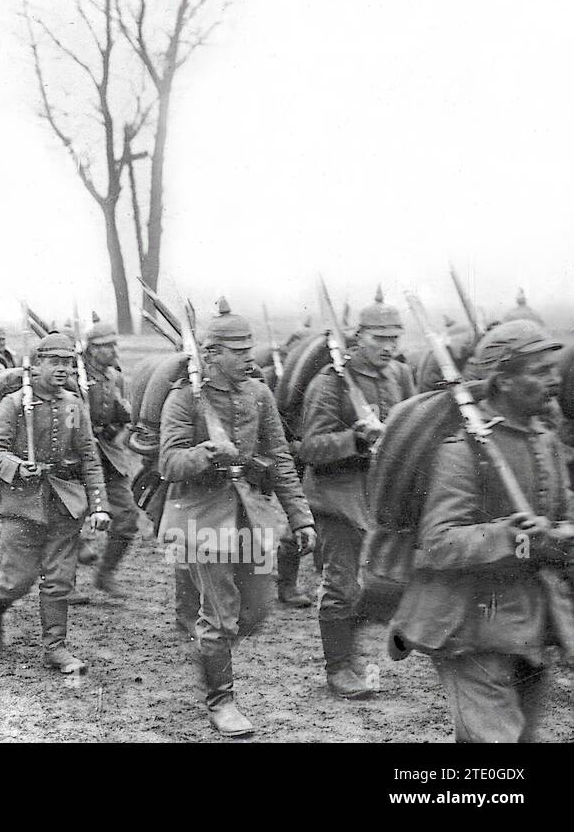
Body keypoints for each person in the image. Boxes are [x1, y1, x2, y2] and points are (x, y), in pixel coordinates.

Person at [390, 321, 574, 742]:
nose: (555, 380)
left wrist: (556, 534)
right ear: (504, 381)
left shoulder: (544, 439)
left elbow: (562, 518)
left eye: (553, 369)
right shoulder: (462, 450)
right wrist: (511, 536)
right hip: (470, 622)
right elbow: (439, 544)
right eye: (541, 371)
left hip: (532, 619)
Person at [157, 300, 316, 737]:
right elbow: (167, 463)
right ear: (211, 354)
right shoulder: (183, 398)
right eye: (239, 350)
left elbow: (281, 458)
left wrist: (301, 517)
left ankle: (208, 651)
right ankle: (221, 701)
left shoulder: (258, 394)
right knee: (222, 615)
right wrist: (208, 452)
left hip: (251, 516)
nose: (249, 357)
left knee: (258, 610)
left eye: (250, 349)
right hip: (200, 520)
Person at [296, 290, 414, 699]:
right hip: (337, 499)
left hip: (383, 497)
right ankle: (339, 670)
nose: (388, 346)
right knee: (342, 586)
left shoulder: (399, 376)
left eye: (394, 337)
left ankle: (360, 638)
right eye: (378, 338)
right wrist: (356, 440)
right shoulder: (330, 383)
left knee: (390, 581)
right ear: (357, 336)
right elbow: (309, 448)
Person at [0, 333, 109, 675]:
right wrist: (18, 467)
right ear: (36, 366)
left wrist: (99, 505)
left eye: (68, 363)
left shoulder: (74, 405)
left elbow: (89, 458)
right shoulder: (14, 404)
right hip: (21, 505)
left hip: (65, 503)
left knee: (60, 580)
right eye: (55, 363)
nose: (63, 370)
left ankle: (56, 647)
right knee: (15, 581)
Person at [80, 321, 142, 597]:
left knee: (127, 517)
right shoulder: (74, 376)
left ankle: (106, 574)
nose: (113, 350)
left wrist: (123, 420)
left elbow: (122, 416)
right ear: (91, 349)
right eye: (106, 345)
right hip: (77, 458)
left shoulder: (115, 377)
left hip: (108, 455)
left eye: (114, 344)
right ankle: (62, 583)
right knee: (67, 520)